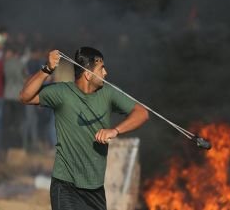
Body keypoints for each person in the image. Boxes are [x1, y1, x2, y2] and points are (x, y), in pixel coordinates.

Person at [20, 47, 149, 210]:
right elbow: (25, 96)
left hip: (95, 189)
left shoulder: (108, 93)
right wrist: (47, 69)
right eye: (101, 68)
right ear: (88, 74)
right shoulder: (62, 92)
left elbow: (142, 113)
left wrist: (115, 130)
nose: (106, 73)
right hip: (65, 185)